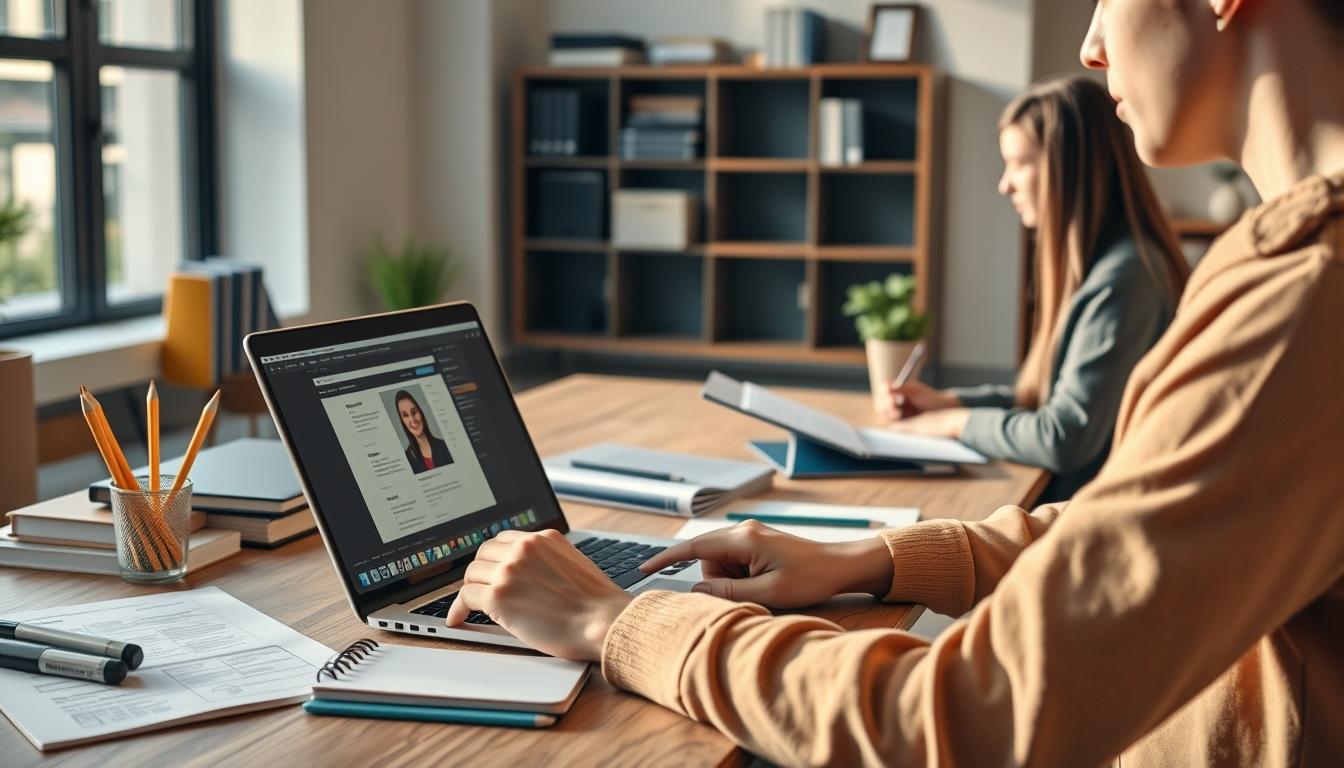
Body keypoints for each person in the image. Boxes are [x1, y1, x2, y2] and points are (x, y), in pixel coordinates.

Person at [447, 0, 1344, 763]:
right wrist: (874, 558)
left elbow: (962, 714)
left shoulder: (1302, 295)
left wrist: (618, 625)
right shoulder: (1297, 274)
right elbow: (1136, 541)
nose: (1091, 43)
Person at [885, 75, 1189, 502]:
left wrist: (952, 424)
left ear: (1072, 168)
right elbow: (1046, 397)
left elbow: (1062, 435)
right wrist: (948, 402)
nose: (1004, 184)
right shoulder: (1102, 265)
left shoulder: (1126, 277)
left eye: (1020, 162)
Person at [394, 390, 452, 474]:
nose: (412, 420)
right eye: (405, 415)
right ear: (402, 423)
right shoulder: (406, 460)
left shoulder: (444, 446)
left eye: (414, 412)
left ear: (421, 413)